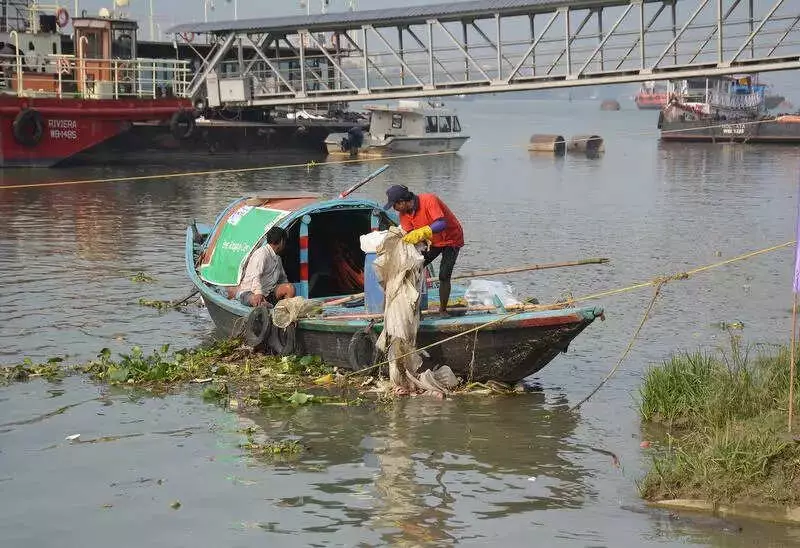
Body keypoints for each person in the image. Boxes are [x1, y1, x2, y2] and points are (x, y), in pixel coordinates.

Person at [384, 185, 464, 315]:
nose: (394, 208)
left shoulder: (429, 200)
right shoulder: (403, 215)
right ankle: (416, 309)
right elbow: (412, 235)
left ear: (402, 202)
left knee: (444, 275)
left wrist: (423, 231)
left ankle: (443, 310)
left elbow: (441, 223)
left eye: (395, 205)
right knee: (414, 268)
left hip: (451, 239)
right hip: (432, 241)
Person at [235, 226, 296, 307]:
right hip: (250, 292)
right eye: (284, 241)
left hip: (269, 292)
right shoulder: (261, 254)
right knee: (257, 300)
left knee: (289, 288)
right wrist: (258, 293)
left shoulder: (278, 258)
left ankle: (284, 313)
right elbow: (255, 276)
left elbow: (283, 279)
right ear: (281, 242)